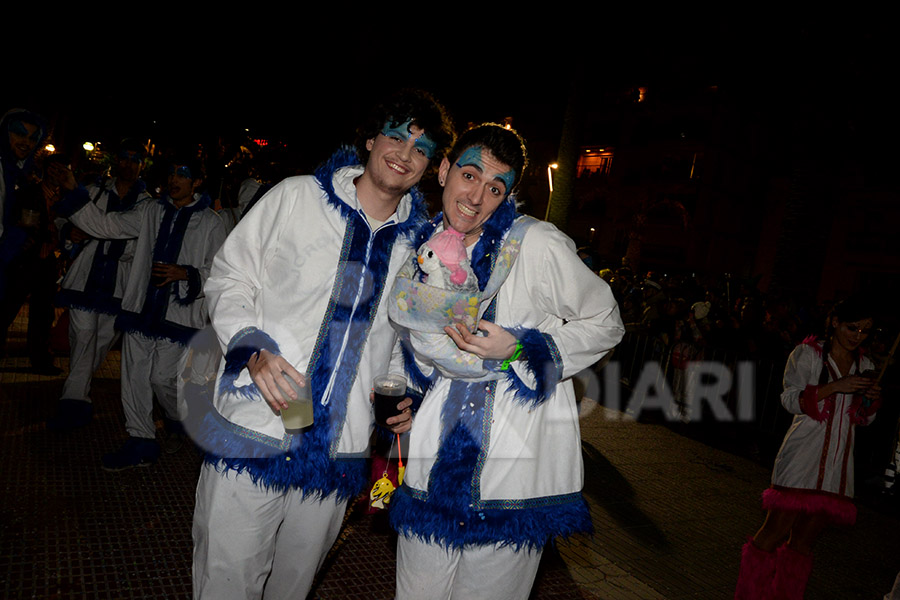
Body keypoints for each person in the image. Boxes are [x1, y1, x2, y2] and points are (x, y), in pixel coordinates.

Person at [190, 89, 455, 600]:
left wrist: (408, 396)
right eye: (396, 137)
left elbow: (411, 340)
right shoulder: (296, 197)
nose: (403, 153)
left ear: (431, 166)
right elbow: (229, 277)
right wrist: (253, 346)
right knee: (225, 582)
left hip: (341, 449)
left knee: (293, 588)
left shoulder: (421, 249)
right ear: (371, 139)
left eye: (420, 149)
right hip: (255, 429)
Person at [387, 124, 625, 600]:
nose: (476, 197)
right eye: (469, 176)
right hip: (435, 454)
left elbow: (607, 321)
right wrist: (407, 387)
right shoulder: (423, 249)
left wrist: (518, 346)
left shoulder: (534, 244)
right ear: (444, 170)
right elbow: (410, 341)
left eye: (495, 188)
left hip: (513, 464)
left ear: (509, 194)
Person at [51, 155, 227, 469]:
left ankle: (177, 419)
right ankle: (141, 441)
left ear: (197, 181)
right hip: (138, 309)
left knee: (162, 380)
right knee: (133, 379)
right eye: (171, 173)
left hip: (178, 316)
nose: (174, 180)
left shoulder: (212, 223)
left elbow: (220, 271)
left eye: (182, 173)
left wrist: (185, 274)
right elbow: (105, 226)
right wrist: (74, 191)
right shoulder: (150, 210)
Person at [734, 297, 882, 599]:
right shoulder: (808, 354)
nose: (858, 336)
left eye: (865, 331)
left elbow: (864, 420)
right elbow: (789, 399)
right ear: (834, 322)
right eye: (852, 327)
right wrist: (834, 387)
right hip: (801, 458)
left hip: (836, 468)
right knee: (772, 534)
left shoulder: (866, 365)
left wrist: (871, 399)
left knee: (803, 545)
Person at [47, 139, 152, 431]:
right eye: (124, 158)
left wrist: (76, 199)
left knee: (101, 344)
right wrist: (70, 231)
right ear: (115, 162)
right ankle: (73, 403)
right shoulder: (94, 191)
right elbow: (60, 220)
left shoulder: (148, 206)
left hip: (120, 286)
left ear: (142, 165)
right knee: (82, 339)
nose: (129, 164)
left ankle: (77, 394)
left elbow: (103, 225)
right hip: (84, 280)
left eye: (135, 159)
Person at [0, 108, 60, 373]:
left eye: (32, 137)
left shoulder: (19, 174)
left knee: (42, 313)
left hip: (37, 261)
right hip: (18, 261)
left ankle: (40, 358)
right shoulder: (16, 176)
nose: (24, 141)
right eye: (18, 133)